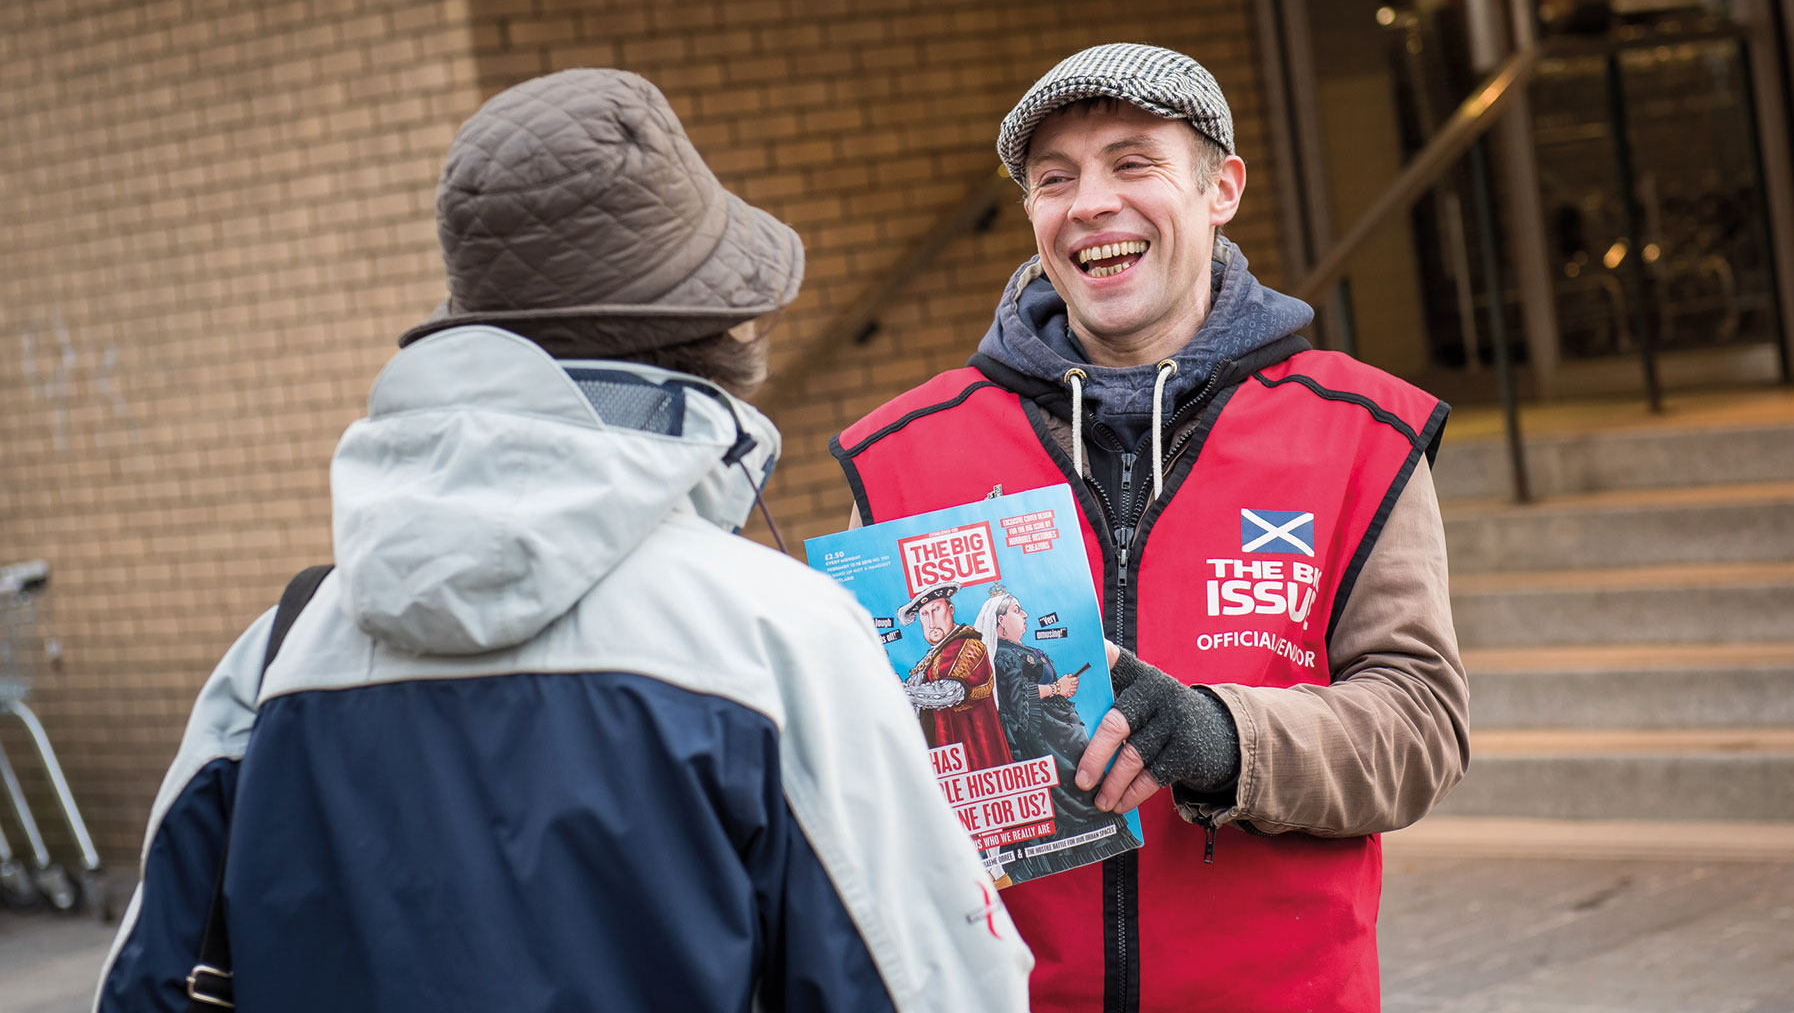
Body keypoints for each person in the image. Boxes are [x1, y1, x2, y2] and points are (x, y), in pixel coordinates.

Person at [95, 69, 1030, 1013]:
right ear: (714, 332)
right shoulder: (778, 637)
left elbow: (150, 989)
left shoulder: (278, 654)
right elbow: (936, 990)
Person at [831, 44, 1469, 1011]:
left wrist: (1227, 737)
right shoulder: (904, 456)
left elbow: (1420, 726)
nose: (1090, 203)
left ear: (1221, 190)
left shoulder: (1361, 434)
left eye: (1133, 163)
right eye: (1056, 179)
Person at [975, 588, 1140, 884]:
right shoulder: (1004, 657)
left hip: (1059, 738)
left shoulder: (1019, 651)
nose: (1024, 615)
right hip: (1041, 746)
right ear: (1000, 623)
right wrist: (1056, 689)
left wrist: (1061, 689)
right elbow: (1015, 699)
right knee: (1069, 802)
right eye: (1016, 610)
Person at [900, 584, 1014, 773]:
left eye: (936, 610)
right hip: (944, 757)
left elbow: (949, 691)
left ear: (950, 610)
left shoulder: (968, 646)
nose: (931, 622)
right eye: (924, 614)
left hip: (974, 755)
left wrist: (899, 691)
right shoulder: (931, 657)